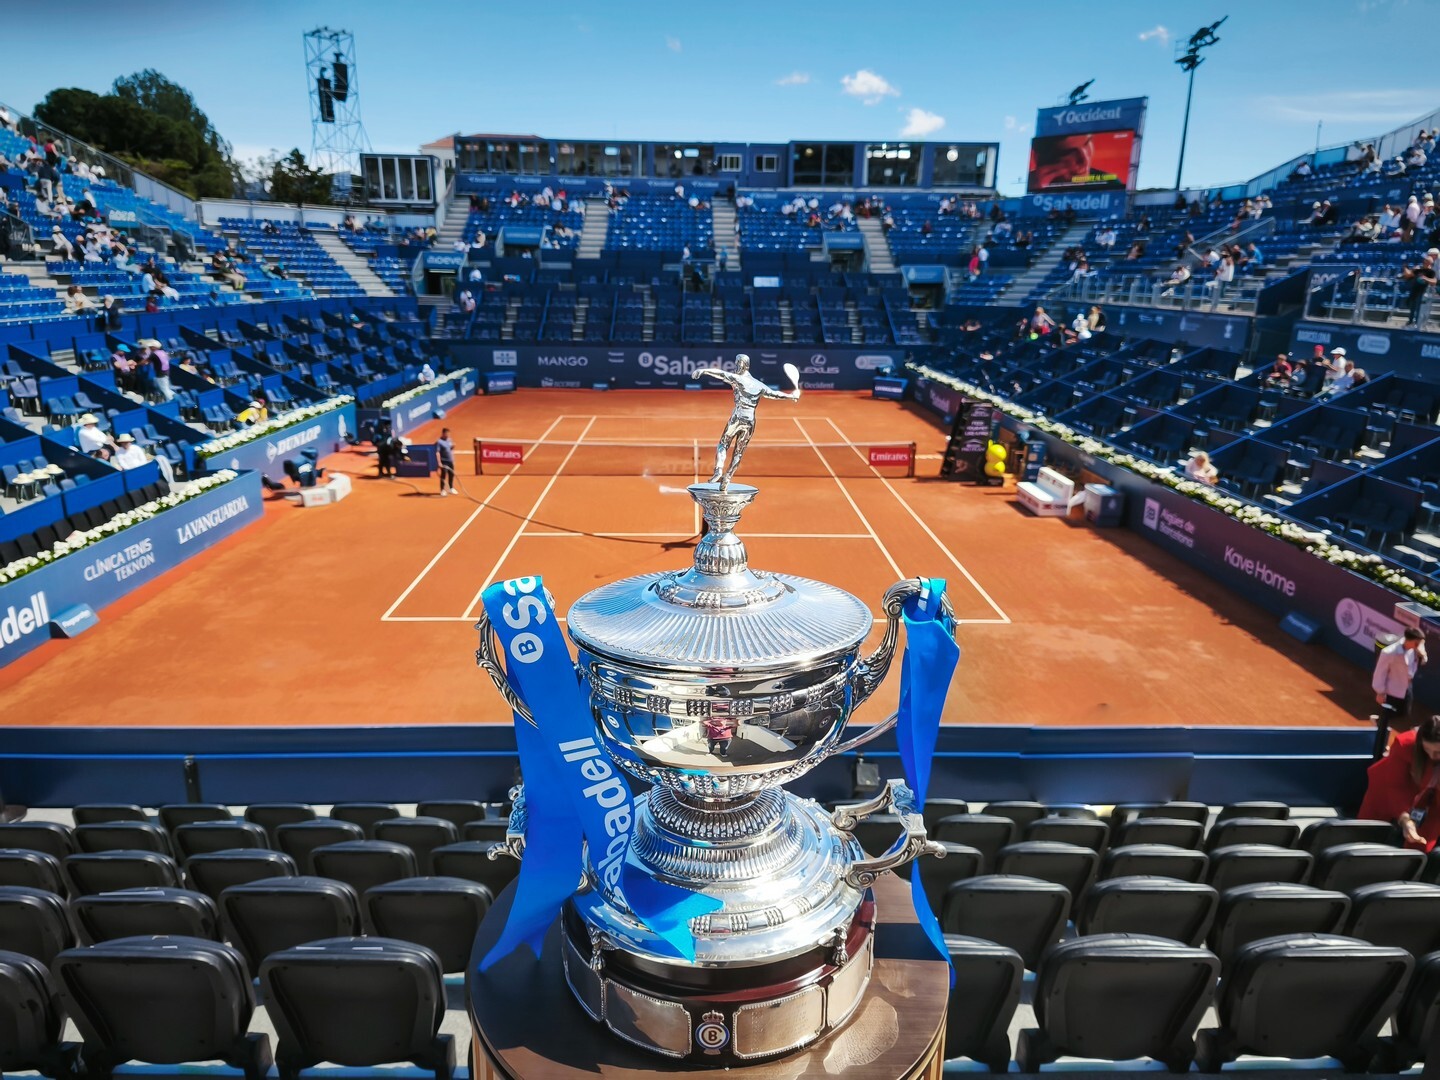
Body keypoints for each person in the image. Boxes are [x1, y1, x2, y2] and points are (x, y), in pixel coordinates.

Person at [695, 354, 802, 488]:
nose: (735, 366)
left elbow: (721, 374)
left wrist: (703, 371)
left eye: (736, 363)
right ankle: (727, 477)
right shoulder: (759, 384)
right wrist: (791, 396)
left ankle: (718, 470)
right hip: (750, 421)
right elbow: (775, 394)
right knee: (739, 452)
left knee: (723, 444)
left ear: (741, 364)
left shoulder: (738, 379)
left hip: (737, 417)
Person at [1360, 714, 1440, 870]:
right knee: (1366, 831)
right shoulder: (1405, 743)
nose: (1432, 756)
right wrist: (1405, 820)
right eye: (1427, 749)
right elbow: (1395, 786)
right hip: (1386, 787)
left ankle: (1407, 869)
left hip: (1430, 794)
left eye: (1437, 752)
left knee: (1422, 840)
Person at [1374, 628, 1429, 756]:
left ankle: (1378, 721)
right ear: (1409, 640)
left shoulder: (1415, 649)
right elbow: (1380, 673)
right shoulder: (1389, 652)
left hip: (1406, 688)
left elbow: (1423, 661)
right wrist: (1380, 692)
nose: (1419, 646)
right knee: (1387, 720)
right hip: (1391, 691)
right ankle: (1381, 745)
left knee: (1404, 714)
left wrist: (1422, 653)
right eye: (1417, 643)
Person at [436, 427, 457, 496]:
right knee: (443, 475)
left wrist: (452, 447)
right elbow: (437, 452)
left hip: (450, 461)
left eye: (448, 434)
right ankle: (442, 490)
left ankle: (451, 488)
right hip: (444, 461)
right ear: (443, 433)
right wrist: (439, 462)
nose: (447, 435)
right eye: (446, 434)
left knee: (451, 474)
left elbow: (450, 450)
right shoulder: (439, 442)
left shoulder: (449, 440)